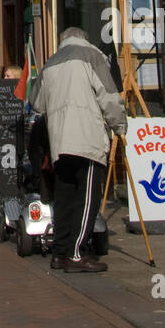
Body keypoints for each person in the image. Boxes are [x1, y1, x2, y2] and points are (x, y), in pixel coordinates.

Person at [29, 25, 126, 274]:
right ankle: (76, 254)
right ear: (85, 38)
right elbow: (109, 96)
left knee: (65, 197)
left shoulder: (51, 62)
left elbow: (37, 102)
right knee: (87, 198)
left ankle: (59, 253)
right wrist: (120, 125)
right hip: (87, 138)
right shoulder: (93, 56)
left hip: (60, 140)